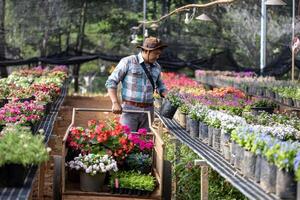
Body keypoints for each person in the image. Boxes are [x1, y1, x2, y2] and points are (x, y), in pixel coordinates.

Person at [105, 36, 168, 132]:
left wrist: (165, 93)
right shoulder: (128, 62)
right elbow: (111, 81)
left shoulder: (157, 66)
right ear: (147, 51)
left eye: (159, 54)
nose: (157, 57)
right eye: (156, 54)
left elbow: (160, 85)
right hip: (130, 110)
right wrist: (115, 103)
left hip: (148, 111)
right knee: (127, 141)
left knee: (145, 142)